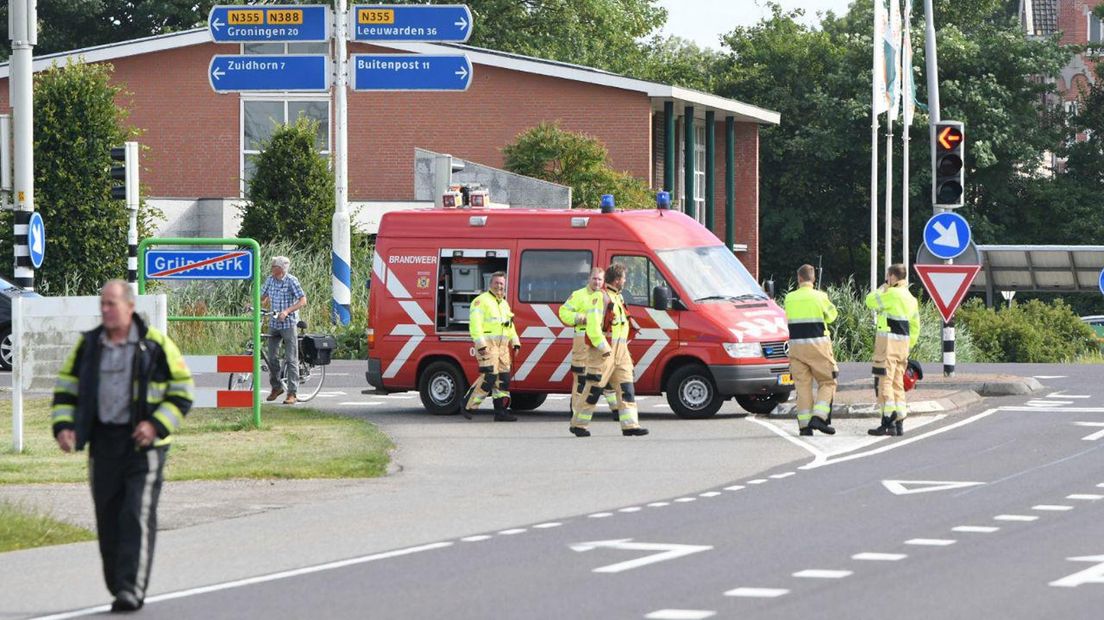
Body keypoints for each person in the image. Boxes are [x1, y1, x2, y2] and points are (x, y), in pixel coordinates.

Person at [51, 280, 193, 612]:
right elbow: (66, 389)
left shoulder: (154, 344)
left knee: (136, 514)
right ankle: (118, 585)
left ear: (130, 306)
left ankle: (131, 589)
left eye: (111, 303)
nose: (105, 309)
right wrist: (64, 427)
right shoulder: (89, 345)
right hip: (103, 444)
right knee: (109, 517)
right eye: (102, 303)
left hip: (146, 445)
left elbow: (183, 390)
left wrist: (155, 424)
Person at [570, 263, 648, 437]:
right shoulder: (601, 297)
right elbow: (593, 328)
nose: (625, 281)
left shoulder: (618, 297)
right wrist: (604, 348)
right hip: (603, 353)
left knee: (627, 388)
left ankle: (630, 426)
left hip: (620, 352)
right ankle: (578, 424)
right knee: (593, 389)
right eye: (624, 278)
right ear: (618, 280)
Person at [783, 264, 838, 436]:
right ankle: (819, 417)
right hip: (818, 346)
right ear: (813, 279)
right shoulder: (820, 296)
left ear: (799, 278)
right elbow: (832, 316)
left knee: (802, 386)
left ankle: (805, 426)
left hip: (796, 347)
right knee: (828, 381)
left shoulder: (789, 298)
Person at [558, 267, 619, 422]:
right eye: (594, 279)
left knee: (606, 375)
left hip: (601, 341)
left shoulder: (606, 297)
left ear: (604, 281)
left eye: (600, 279)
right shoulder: (578, 295)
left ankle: (617, 411)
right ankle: (576, 413)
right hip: (582, 342)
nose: (597, 282)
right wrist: (578, 317)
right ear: (589, 279)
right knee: (581, 378)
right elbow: (563, 312)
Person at [866, 263, 920, 436]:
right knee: (898, 383)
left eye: (888, 277)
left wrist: (882, 287)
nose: (887, 280)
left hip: (887, 344)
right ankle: (899, 424)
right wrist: (908, 345)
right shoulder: (911, 299)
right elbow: (915, 326)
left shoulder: (891, 294)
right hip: (903, 346)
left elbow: (869, 301)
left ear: (893, 277)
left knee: (885, 382)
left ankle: (888, 419)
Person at [463, 271, 520, 422]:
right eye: (496, 283)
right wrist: (480, 344)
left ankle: (500, 412)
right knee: (488, 378)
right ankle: (468, 405)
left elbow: (509, 326)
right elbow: (475, 325)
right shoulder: (481, 301)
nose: (499, 286)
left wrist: (515, 342)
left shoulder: (504, 304)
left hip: (503, 349)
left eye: (502, 283)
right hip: (488, 347)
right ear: (490, 284)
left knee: (504, 380)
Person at [261, 256, 307, 405]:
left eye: (274, 266)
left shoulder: (291, 280)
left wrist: (287, 311)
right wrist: (253, 303)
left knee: (291, 358)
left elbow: (302, 300)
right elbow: (262, 296)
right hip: (274, 323)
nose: (272, 268)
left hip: (288, 323)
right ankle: (276, 387)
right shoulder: (270, 279)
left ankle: (292, 393)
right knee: (271, 357)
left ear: (281, 268)